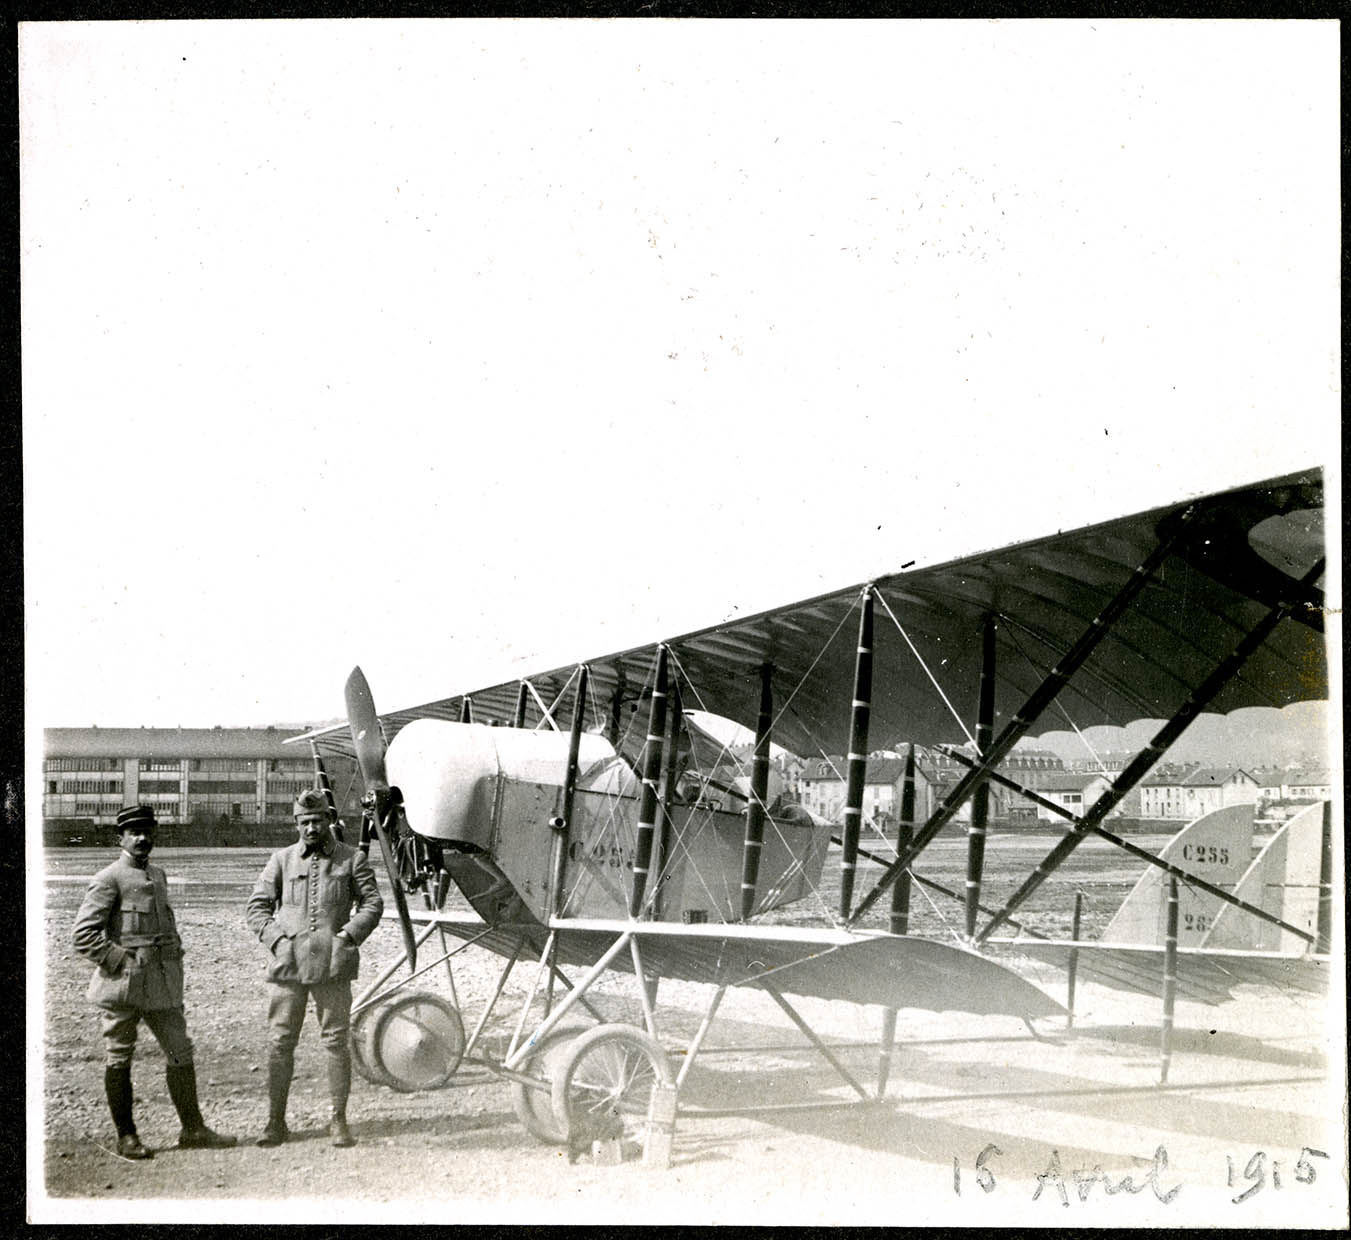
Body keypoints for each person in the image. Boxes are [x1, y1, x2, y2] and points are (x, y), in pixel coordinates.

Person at [72, 804, 236, 1159]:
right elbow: (83, 936)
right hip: (124, 987)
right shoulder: (109, 878)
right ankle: (126, 1136)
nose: (143, 838)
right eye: (135, 832)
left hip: (162, 985)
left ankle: (193, 1129)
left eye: (148, 831)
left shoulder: (157, 875)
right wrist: (121, 960)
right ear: (121, 838)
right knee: (119, 1056)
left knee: (180, 1052)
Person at [245, 788, 383, 1148]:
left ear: (329, 821)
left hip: (332, 967)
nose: (310, 828)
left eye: (317, 820)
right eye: (304, 822)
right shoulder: (281, 860)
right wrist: (278, 942)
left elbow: (373, 903)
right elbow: (257, 907)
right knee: (280, 1043)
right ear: (296, 823)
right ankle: (275, 1122)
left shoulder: (351, 859)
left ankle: (338, 1120)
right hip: (287, 968)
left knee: (336, 1042)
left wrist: (348, 937)